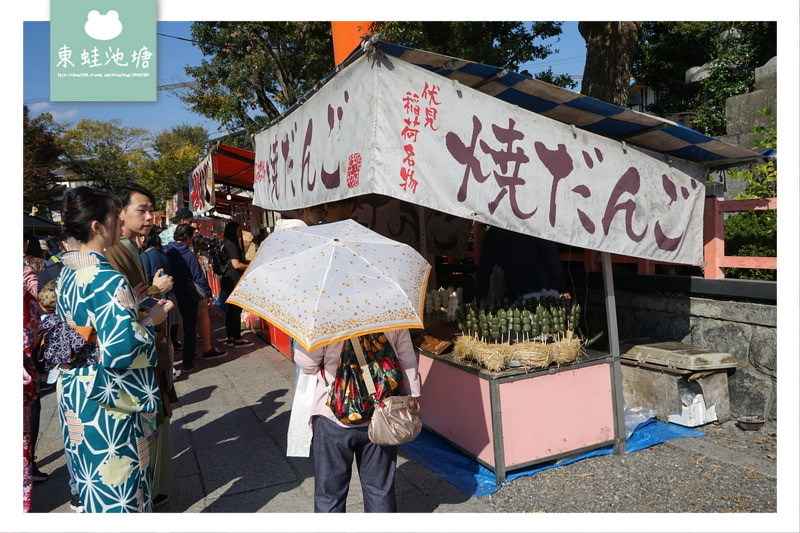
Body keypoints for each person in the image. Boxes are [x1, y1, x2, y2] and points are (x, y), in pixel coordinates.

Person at [55, 186, 171, 513]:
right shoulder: (108, 280)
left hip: (76, 389)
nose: (120, 222)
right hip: (107, 396)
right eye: (114, 217)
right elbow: (123, 348)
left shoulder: (68, 274)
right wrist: (153, 320)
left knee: (91, 481)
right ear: (96, 226)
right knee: (120, 485)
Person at [105, 182, 176, 509]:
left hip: (147, 352)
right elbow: (124, 308)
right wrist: (157, 292)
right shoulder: (113, 253)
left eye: (151, 209)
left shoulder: (127, 248)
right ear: (119, 213)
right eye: (142, 210)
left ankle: (150, 488)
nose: (150, 217)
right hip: (134, 361)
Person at [293, 330, 421, 512]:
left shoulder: (325, 316)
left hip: (332, 416)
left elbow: (307, 364)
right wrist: (412, 396)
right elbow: (406, 359)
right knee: (379, 491)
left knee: (330, 493)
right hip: (382, 415)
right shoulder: (390, 310)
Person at [165, 223, 228, 370]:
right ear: (187, 237)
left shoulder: (166, 251)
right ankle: (188, 361)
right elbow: (198, 276)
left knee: (173, 327)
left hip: (171, 293)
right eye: (192, 236)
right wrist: (207, 293)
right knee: (190, 328)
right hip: (187, 294)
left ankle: (175, 361)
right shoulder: (187, 254)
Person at [474, 226, 570, 303]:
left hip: (518, 300)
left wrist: (478, 302)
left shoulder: (493, 234)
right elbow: (553, 260)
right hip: (550, 296)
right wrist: (562, 289)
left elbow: (483, 274)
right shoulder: (538, 227)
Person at [219, 221, 254, 348]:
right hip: (233, 279)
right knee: (236, 309)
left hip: (227, 279)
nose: (240, 234)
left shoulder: (224, 244)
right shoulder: (232, 245)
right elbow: (236, 264)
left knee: (231, 310)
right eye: (239, 231)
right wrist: (250, 265)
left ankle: (231, 337)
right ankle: (237, 339)